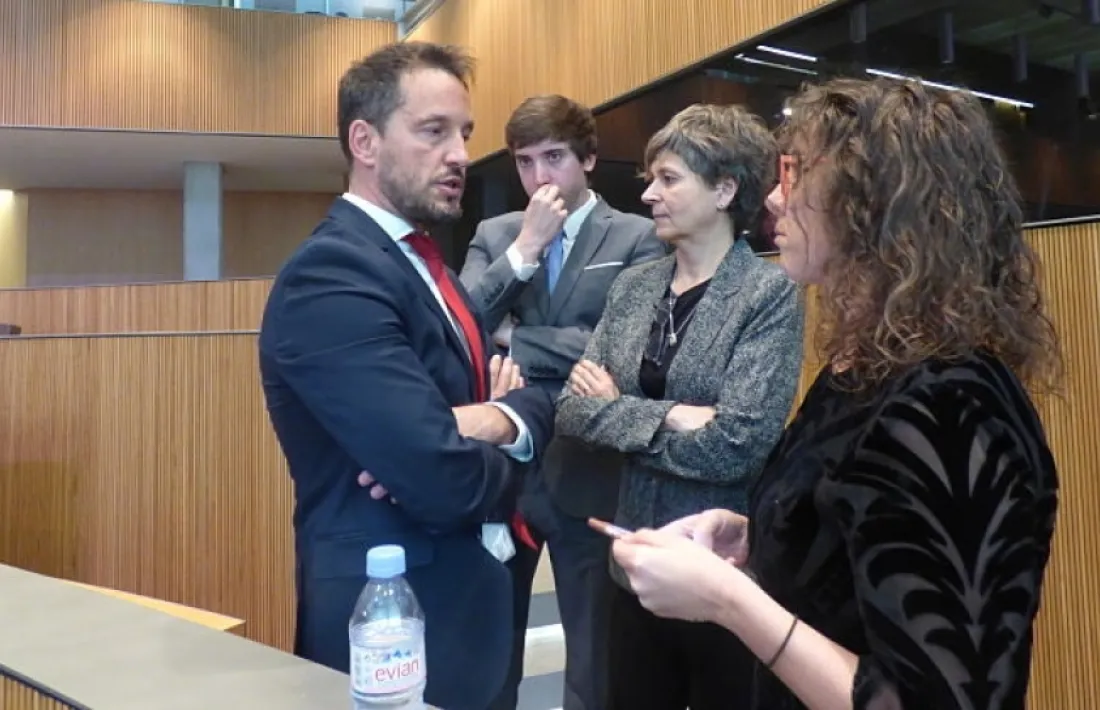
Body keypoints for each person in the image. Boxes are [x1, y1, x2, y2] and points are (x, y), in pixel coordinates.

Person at [611, 77, 1062, 710]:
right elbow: (856, 542)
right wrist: (757, 539)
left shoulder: (950, 406)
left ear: (871, 203)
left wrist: (726, 599)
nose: (772, 196)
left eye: (794, 174)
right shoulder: (865, 367)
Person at [257, 41, 555, 710]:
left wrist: (491, 418)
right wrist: (497, 442)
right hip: (397, 638)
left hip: (470, 611)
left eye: (465, 134)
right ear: (364, 141)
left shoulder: (430, 267)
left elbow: (530, 399)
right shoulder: (331, 276)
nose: (459, 154)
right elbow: (440, 477)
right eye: (434, 131)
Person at [554, 103, 804, 709]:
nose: (648, 195)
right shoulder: (634, 288)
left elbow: (739, 445)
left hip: (721, 580)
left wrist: (622, 412)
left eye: (668, 179)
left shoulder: (768, 296)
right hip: (633, 568)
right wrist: (671, 414)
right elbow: (570, 409)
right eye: (651, 179)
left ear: (724, 189)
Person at [458, 94, 665, 710]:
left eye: (554, 158)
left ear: (589, 159)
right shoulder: (496, 235)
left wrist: (515, 337)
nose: (540, 177)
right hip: (502, 478)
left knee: (592, 669)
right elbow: (463, 324)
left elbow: (614, 352)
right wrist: (525, 250)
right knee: (489, 662)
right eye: (525, 163)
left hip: (589, 472)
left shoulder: (639, 238)